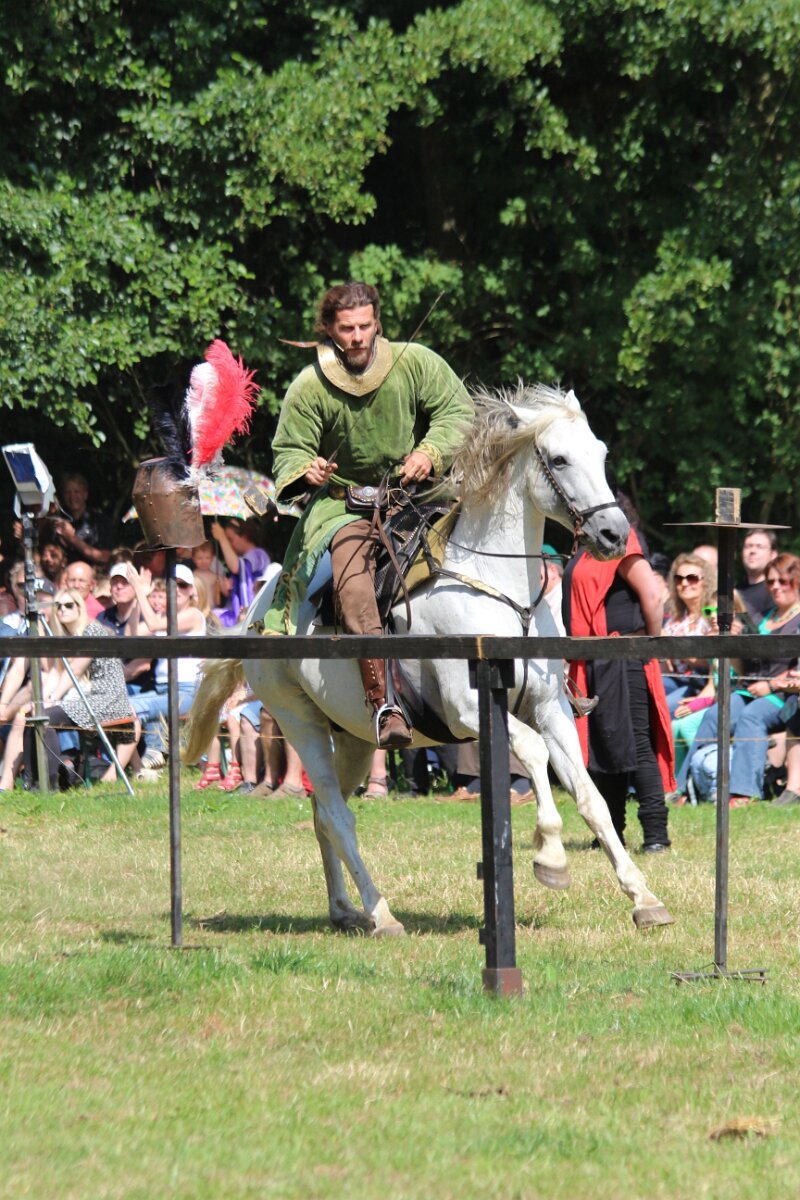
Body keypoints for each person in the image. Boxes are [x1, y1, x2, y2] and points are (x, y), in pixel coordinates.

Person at [266, 279, 472, 747]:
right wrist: (307, 469)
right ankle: (383, 703)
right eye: (346, 328)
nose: (357, 337)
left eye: (364, 326)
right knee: (354, 584)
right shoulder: (309, 386)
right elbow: (288, 451)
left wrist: (430, 452)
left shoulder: (414, 361)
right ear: (328, 329)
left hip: (417, 495)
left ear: (377, 322)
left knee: (484, 538)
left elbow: (457, 411)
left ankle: (543, 675)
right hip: (346, 510)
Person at [562, 496, 674, 851]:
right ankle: (612, 835)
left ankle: (656, 836)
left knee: (638, 745)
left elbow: (652, 596)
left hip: (624, 655)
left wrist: (647, 645)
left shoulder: (622, 541)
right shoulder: (587, 548)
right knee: (604, 747)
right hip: (597, 658)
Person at [675, 553, 800, 805]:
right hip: (749, 689)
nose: (776, 587)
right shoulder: (763, 617)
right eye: (771, 582)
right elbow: (743, 664)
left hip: (784, 694)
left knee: (752, 716)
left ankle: (744, 792)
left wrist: (772, 684)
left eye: (783, 581)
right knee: (716, 714)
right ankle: (685, 787)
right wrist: (732, 642)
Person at [6, 588, 138, 790]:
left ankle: (49, 783)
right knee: (36, 715)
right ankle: (31, 781)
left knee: (46, 718)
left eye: (69, 605)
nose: (63, 610)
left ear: (79, 608)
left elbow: (75, 671)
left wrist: (52, 699)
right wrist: (42, 701)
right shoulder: (66, 637)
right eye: (58, 606)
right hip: (89, 698)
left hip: (108, 700)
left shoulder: (92, 631)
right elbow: (56, 673)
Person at [124, 562, 207, 777]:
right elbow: (131, 634)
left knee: (130, 708)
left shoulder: (193, 615)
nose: (177, 589)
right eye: (173, 584)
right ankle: (141, 767)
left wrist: (139, 590)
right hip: (163, 690)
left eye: (183, 585)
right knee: (122, 705)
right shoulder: (163, 618)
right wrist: (139, 597)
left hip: (187, 691)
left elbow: (152, 625)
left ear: (192, 591)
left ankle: (122, 771)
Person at [660, 553, 714, 715]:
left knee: (664, 709)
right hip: (674, 679)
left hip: (701, 683)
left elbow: (710, 662)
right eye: (679, 579)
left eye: (692, 578)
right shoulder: (674, 619)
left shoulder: (712, 615)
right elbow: (665, 665)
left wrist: (672, 646)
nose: (684, 583)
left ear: (705, 582)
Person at [210, 518, 270, 627]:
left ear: (245, 536)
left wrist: (222, 538)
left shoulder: (259, 554)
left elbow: (236, 567)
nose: (229, 544)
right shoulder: (245, 557)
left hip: (252, 613)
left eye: (230, 539)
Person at [51, 473, 114, 566]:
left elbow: (105, 558)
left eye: (76, 492)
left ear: (85, 494)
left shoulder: (100, 522)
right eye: (68, 492)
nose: (72, 497)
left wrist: (72, 538)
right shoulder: (58, 523)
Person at [737, 527, 778, 621]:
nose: (752, 551)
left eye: (760, 547)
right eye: (748, 546)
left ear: (773, 555)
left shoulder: (777, 591)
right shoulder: (735, 592)